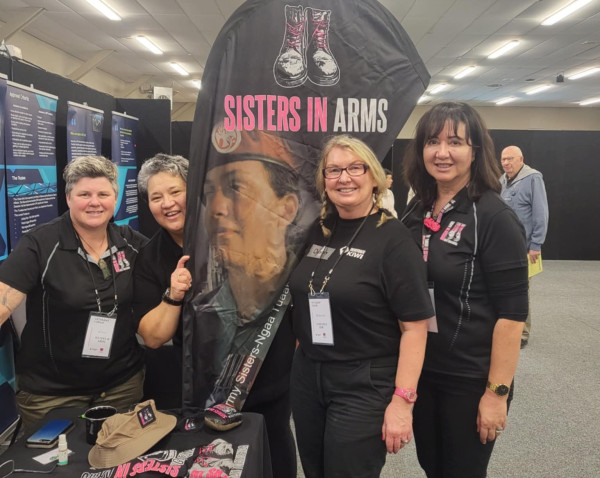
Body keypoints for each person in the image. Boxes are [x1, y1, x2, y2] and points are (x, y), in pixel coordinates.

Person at [289, 134, 433, 478]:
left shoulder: (394, 239)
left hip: (363, 381)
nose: (344, 178)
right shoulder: (318, 230)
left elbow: (415, 328)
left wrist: (402, 401)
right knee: (314, 470)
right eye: (334, 170)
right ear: (323, 180)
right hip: (309, 375)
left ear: (375, 178)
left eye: (356, 168)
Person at [401, 102, 529, 478]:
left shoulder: (493, 217)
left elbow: (512, 316)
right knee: (432, 465)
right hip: (422, 369)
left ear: (475, 151)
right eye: (432, 141)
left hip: (471, 377)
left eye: (455, 142)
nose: (442, 152)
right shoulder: (415, 209)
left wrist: (497, 393)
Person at [186, 128, 311, 478]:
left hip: (276, 414)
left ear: (285, 208)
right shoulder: (199, 295)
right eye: (209, 193)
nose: (217, 208)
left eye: (237, 189)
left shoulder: (308, 279)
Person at [0, 155, 147, 431]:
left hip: (122, 387)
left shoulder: (131, 243)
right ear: (68, 199)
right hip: (52, 395)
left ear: (114, 198)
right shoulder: (40, 244)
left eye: (103, 194)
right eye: (84, 194)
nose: (95, 202)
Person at [134, 154, 192, 409]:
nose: (168, 203)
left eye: (175, 192)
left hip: (253, 367)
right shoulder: (150, 255)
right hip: (190, 373)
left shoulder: (231, 232)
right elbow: (153, 337)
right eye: (156, 198)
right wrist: (173, 295)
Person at [500, 145, 549, 348]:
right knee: (502, 288)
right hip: (502, 246)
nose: (506, 163)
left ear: (521, 159)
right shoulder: (501, 180)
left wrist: (536, 244)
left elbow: (541, 212)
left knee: (520, 290)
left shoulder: (533, 178)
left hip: (525, 247)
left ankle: (522, 334)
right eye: (503, 159)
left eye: (510, 159)